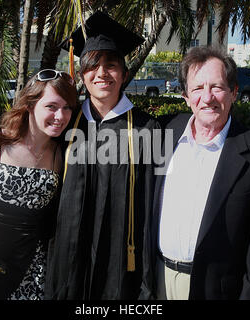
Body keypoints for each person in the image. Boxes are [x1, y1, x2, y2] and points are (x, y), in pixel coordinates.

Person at [152, 46, 250, 300]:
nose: (208, 97)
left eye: (217, 87)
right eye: (198, 88)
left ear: (234, 92)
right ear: (185, 96)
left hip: (216, 291)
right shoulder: (164, 133)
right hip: (157, 281)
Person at [45, 11, 158, 300]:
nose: (102, 73)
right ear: (82, 74)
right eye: (93, 65)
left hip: (121, 258)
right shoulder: (65, 125)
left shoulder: (146, 128)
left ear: (123, 73)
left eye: (111, 65)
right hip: (68, 256)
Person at [0, 70, 77, 299]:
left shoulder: (61, 152)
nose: (60, 116)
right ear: (30, 105)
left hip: (35, 265)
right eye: (52, 106)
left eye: (67, 108)